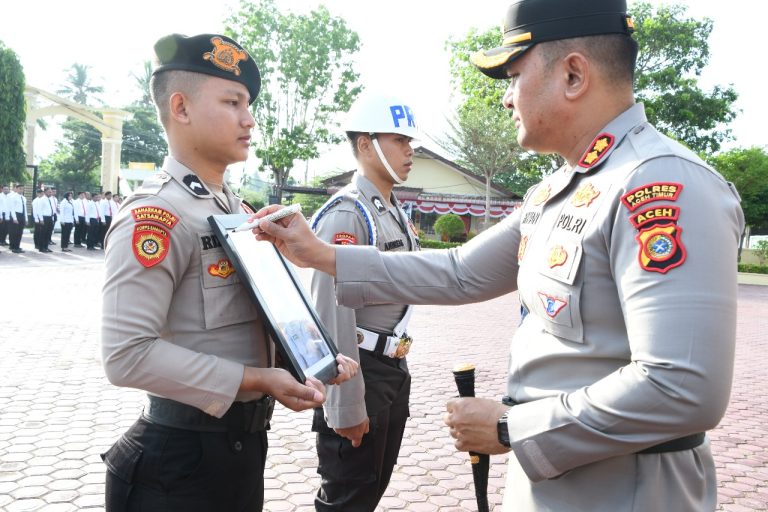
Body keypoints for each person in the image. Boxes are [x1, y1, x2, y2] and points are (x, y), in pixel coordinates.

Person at [252, 0, 746, 510]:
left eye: (513, 77)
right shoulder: (562, 189)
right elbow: (461, 271)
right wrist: (320, 255)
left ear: (574, 75)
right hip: (560, 478)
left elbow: (683, 387)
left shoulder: (662, 184)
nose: (507, 100)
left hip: (627, 489)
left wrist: (513, 427)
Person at [100, 32, 357, 512]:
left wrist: (305, 363)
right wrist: (259, 380)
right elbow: (126, 356)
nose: (249, 118)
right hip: (176, 464)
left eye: (248, 103)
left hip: (236, 451)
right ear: (181, 108)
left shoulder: (235, 211)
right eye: (233, 101)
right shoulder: (156, 214)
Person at [308, 92, 421, 511]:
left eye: (411, 141)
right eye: (398, 140)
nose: (409, 150)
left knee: (368, 492)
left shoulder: (391, 210)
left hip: (390, 369)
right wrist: (345, 402)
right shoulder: (349, 214)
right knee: (347, 497)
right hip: (359, 371)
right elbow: (331, 309)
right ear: (364, 145)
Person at [6, 184, 27, 253]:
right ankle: (14, 247)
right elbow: (12, 208)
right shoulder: (13, 197)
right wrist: (14, 218)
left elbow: (25, 209)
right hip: (15, 215)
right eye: (20, 188)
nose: (21, 190)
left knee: (20, 233)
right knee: (14, 232)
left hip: (22, 216)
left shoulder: (23, 198)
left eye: (22, 189)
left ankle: (16, 246)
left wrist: (26, 218)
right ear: (16, 189)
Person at [32, 189, 53, 253]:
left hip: (49, 218)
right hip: (44, 218)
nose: (51, 193)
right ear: (45, 192)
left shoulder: (48, 199)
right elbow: (39, 210)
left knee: (48, 233)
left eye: (51, 192)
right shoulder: (42, 199)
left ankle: (46, 247)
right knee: (43, 234)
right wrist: (41, 219)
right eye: (49, 192)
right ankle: (41, 248)